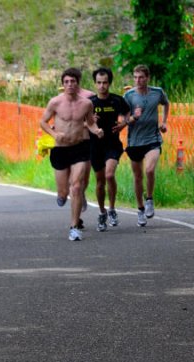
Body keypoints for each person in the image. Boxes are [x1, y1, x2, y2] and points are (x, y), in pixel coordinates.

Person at [39, 68, 104, 241]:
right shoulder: (55, 102)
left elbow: (90, 123)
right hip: (60, 149)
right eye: (66, 82)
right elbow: (43, 122)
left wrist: (97, 131)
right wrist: (54, 135)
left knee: (76, 186)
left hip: (80, 147)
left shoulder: (86, 104)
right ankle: (62, 196)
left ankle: (74, 227)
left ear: (78, 83)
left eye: (72, 81)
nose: (69, 85)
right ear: (62, 84)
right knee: (63, 192)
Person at [123, 64, 170, 227]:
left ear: (147, 78)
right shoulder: (128, 96)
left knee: (149, 169)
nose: (138, 80)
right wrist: (133, 118)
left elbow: (166, 103)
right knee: (138, 177)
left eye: (141, 77)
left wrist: (164, 122)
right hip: (135, 142)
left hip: (152, 139)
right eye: (135, 77)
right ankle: (140, 209)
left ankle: (149, 199)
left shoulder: (157, 92)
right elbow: (123, 120)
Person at [88, 67, 130, 231]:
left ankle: (112, 209)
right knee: (100, 182)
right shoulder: (90, 103)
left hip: (112, 144)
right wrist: (91, 122)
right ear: (95, 83)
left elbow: (128, 113)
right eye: (99, 83)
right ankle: (102, 212)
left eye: (105, 83)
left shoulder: (117, 100)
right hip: (95, 146)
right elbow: (82, 123)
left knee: (110, 174)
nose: (102, 86)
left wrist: (123, 123)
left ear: (110, 83)